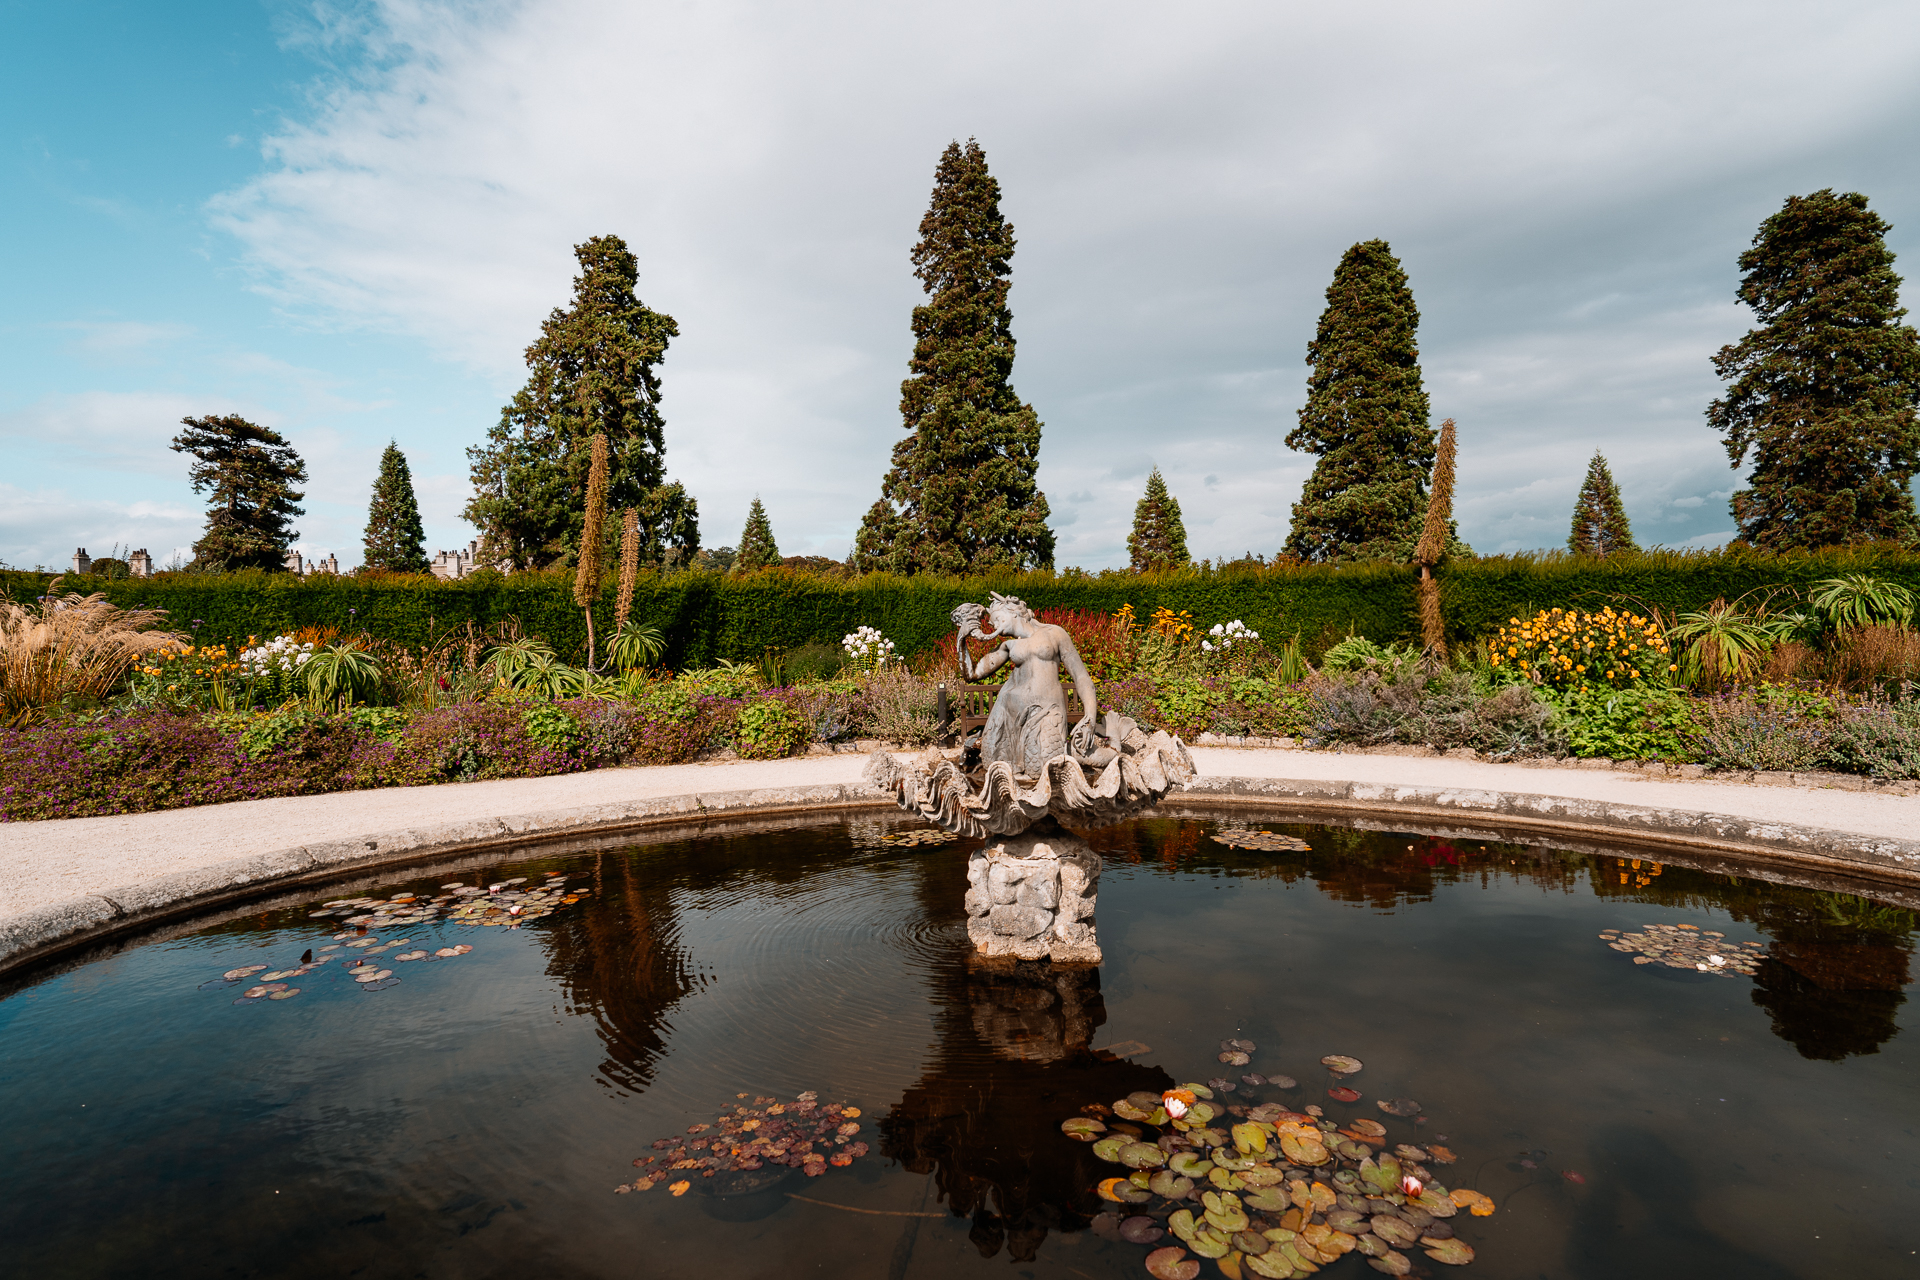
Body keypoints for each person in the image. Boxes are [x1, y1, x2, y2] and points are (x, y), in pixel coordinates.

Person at [953, 593, 1101, 775]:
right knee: (995, 770)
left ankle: (1111, 753)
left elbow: (1081, 677)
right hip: (1007, 716)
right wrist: (962, 641)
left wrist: (1090, 718)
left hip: (1045, 714)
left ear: (1013, 612)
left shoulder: (1055, 633)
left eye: (997, 619)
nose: (993, 625)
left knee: (1042, 770)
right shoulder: (1008, 646)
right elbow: (972, 674)